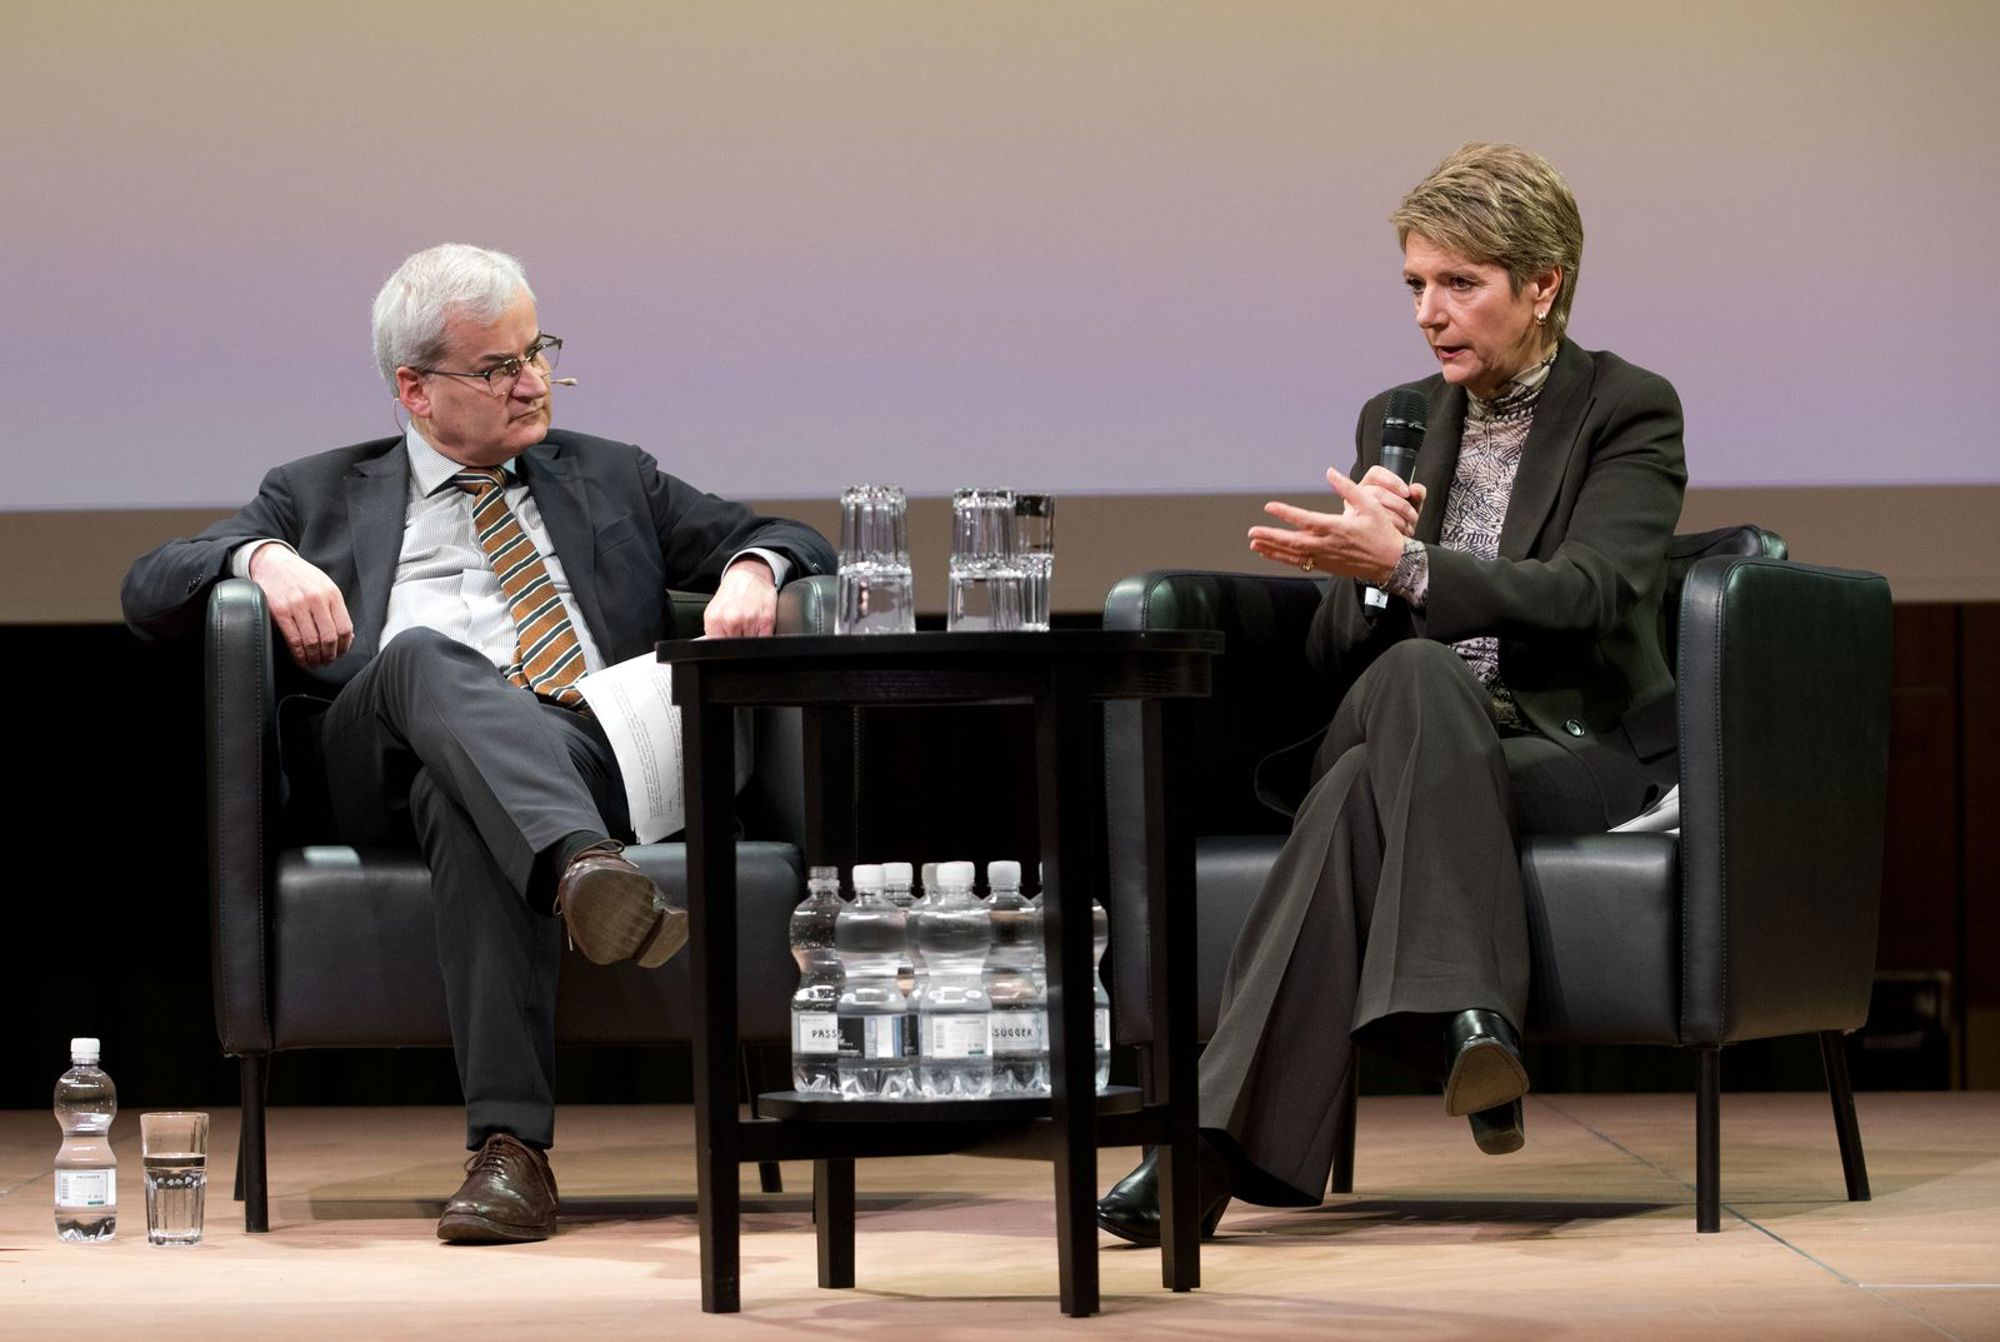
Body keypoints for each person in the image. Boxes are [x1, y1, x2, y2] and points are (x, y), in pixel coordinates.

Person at [122, 243, 835, 1244]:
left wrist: (754, 569)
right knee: (422, 658)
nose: (533, 382)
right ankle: (582, 867)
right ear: (415, 389)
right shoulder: (318, 490)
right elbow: (148, 589)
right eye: (499, 367)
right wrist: (261, 556)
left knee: (462, 801)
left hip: (585, 751)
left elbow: (794, 535)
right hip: (383, 748)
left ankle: (512, 1155)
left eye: (538, 352)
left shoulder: (611, 475)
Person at [1097, 143, 1688, 1243]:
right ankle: (1470, 1020)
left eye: (1459, 282)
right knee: (1412, 675)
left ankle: (1199, 1156)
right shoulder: (1398, 416)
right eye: (1415, 283)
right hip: (1407, 710)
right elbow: (1340, 659)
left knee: (1351, 802)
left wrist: (1409, 566)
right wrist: (1360, 571)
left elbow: (1593, 593)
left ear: (1542, 285)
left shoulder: (1627, 409)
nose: (1428, 313)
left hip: (1563, 746)